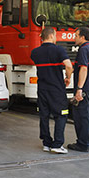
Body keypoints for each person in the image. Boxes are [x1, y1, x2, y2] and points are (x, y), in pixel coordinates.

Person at [30, 25, 73, 154]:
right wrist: (68, 77)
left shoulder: (35, 52)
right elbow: (69, 66)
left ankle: (46, 143)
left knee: (44, 116)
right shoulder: (59, 50)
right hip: (56, 89)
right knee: (61, 115)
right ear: (51, 36)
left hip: (42, 89)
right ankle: (57, 144)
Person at [68, 26, 89, 153]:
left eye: (76, 35)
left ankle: (82, 144)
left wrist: (79, 89)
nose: (74, 38)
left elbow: (84, 69)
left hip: (85, 89)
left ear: (82, 37)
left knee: (82, 117)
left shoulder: (83, 50)